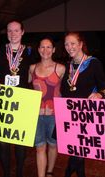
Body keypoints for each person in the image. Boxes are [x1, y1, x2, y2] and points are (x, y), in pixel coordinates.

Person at [0, 20, 35, 177]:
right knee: (3, 141)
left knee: (20, 141)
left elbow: (38, 72)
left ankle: (19, 172)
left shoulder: (30, 52)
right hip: (3, 103)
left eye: (16, 30)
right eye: (9, 31)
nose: (13, 34)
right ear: (6, 33)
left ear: (22, 32)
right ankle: (6, 173)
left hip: (22, 102)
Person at [61, 32, 105, 177]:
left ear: (81, 44)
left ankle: (68, 173)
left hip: (86, 115)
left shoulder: (94, 63)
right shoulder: (67, 65)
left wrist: (100, 94)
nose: (69, 47)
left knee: (79, 151)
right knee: (76, 150)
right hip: (70, 116)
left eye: (73, 43)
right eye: (66, 44)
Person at [28, 37, 65, 177]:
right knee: (40, 147)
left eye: (49, 47)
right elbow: (21, 86)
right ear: (38, 50)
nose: (45, 50)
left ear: (54, 50)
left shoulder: (60, 69)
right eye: (42, 47)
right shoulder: (32, 68)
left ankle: (49, 172)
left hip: (55, 114)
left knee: (53, 145)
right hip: (36, 114)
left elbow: (68, 89)